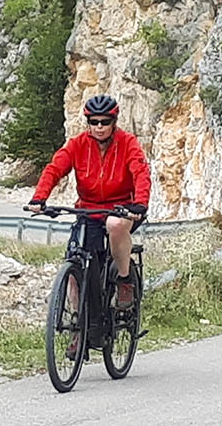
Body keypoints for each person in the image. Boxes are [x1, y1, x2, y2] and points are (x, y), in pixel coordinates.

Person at [26, 94, 151, 312]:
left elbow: (140, 172)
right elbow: (54, 169)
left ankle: (124, 280)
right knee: (76, 264)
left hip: (122, 208)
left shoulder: (128, 143)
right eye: (94, 122)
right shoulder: (78, 144)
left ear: (114, 122)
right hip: (88, 210)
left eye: (105, 122)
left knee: (115, 225)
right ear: (88, 123)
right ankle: (78, 326)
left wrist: (140, 203)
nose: (100, 127)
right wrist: (40, 197)